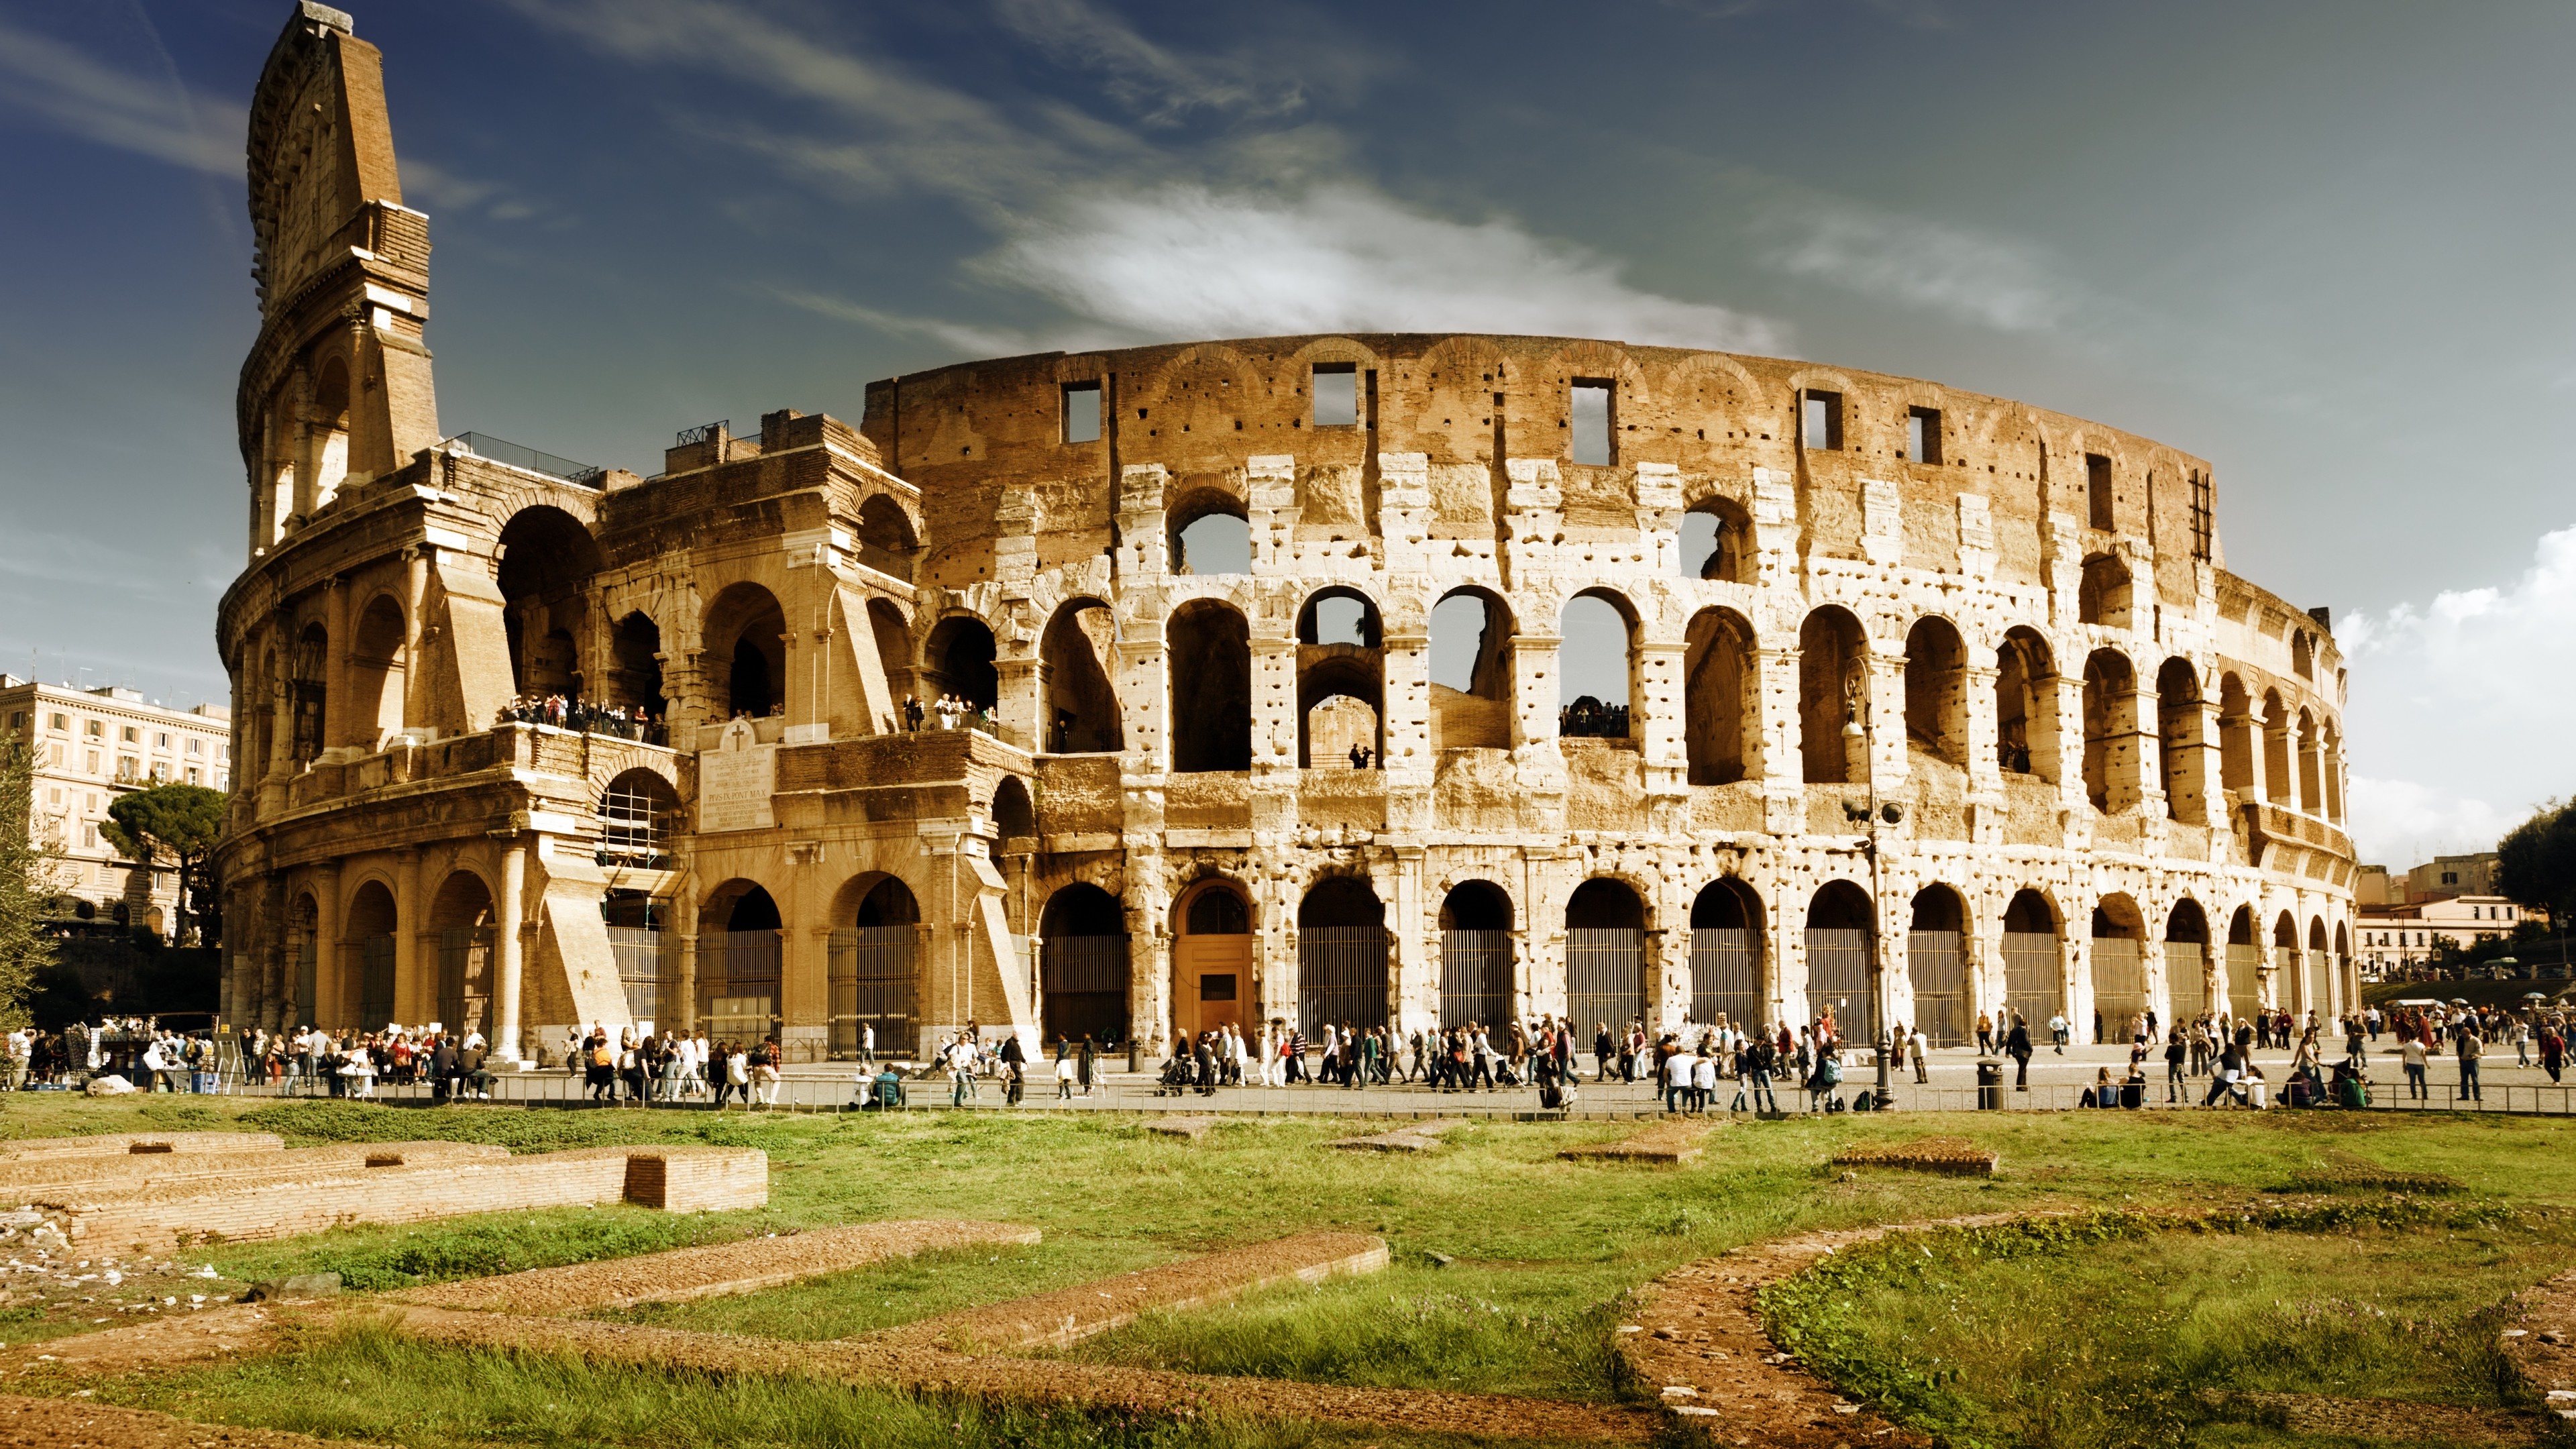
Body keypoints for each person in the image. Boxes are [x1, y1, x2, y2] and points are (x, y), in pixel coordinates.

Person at [2005, 1013, 2034, 1091]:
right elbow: (2027, 1041)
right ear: (2025, 1025)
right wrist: (2031, 1049)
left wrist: (2007, 1052)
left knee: (2023, 1068)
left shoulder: (2013, 1031)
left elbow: (2008, 1043)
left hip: (2015, 1052)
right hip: (2023, 1053)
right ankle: (2020, 1086)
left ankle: (2023, 1085)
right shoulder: (2023, 1031)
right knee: (2022, 1069)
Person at [2457, 1022, 2483, 1104]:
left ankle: (2477, 1096)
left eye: (2464, 1034)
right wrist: (2460, 1057)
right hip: (2463, 1062)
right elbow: (2458, 1049)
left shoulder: (2476, 1040)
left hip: (2473, 1062)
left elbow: (2480, 1051)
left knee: (2475, 1080)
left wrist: (2472, 1055)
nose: (2462, 1036)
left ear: (2469, 1033)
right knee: (2464, 1080)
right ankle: (2464, 1096)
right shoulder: (2461, 1040)